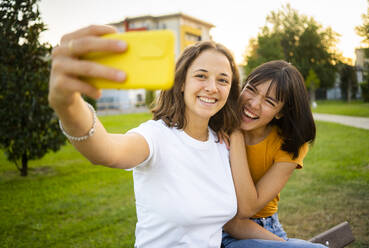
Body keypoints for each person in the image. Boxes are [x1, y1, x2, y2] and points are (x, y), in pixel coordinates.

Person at [48, 25, 283, 248]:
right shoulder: (156, 136)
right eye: (201, 76)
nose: (212, 87)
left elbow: (229, 222)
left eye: (222, 80)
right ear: (181, 83)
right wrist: (68, 105)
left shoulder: (222, 142)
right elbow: (106, 150)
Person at [221, 60, 326, 247]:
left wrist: (236, 134)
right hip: (222, 231)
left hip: (266, 228)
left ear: (280, 113)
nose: (253, 104)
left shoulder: (289, 145)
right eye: (251, 89)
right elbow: (232, 220)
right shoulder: (216, 127)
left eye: (269, 101)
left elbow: (247, 208)